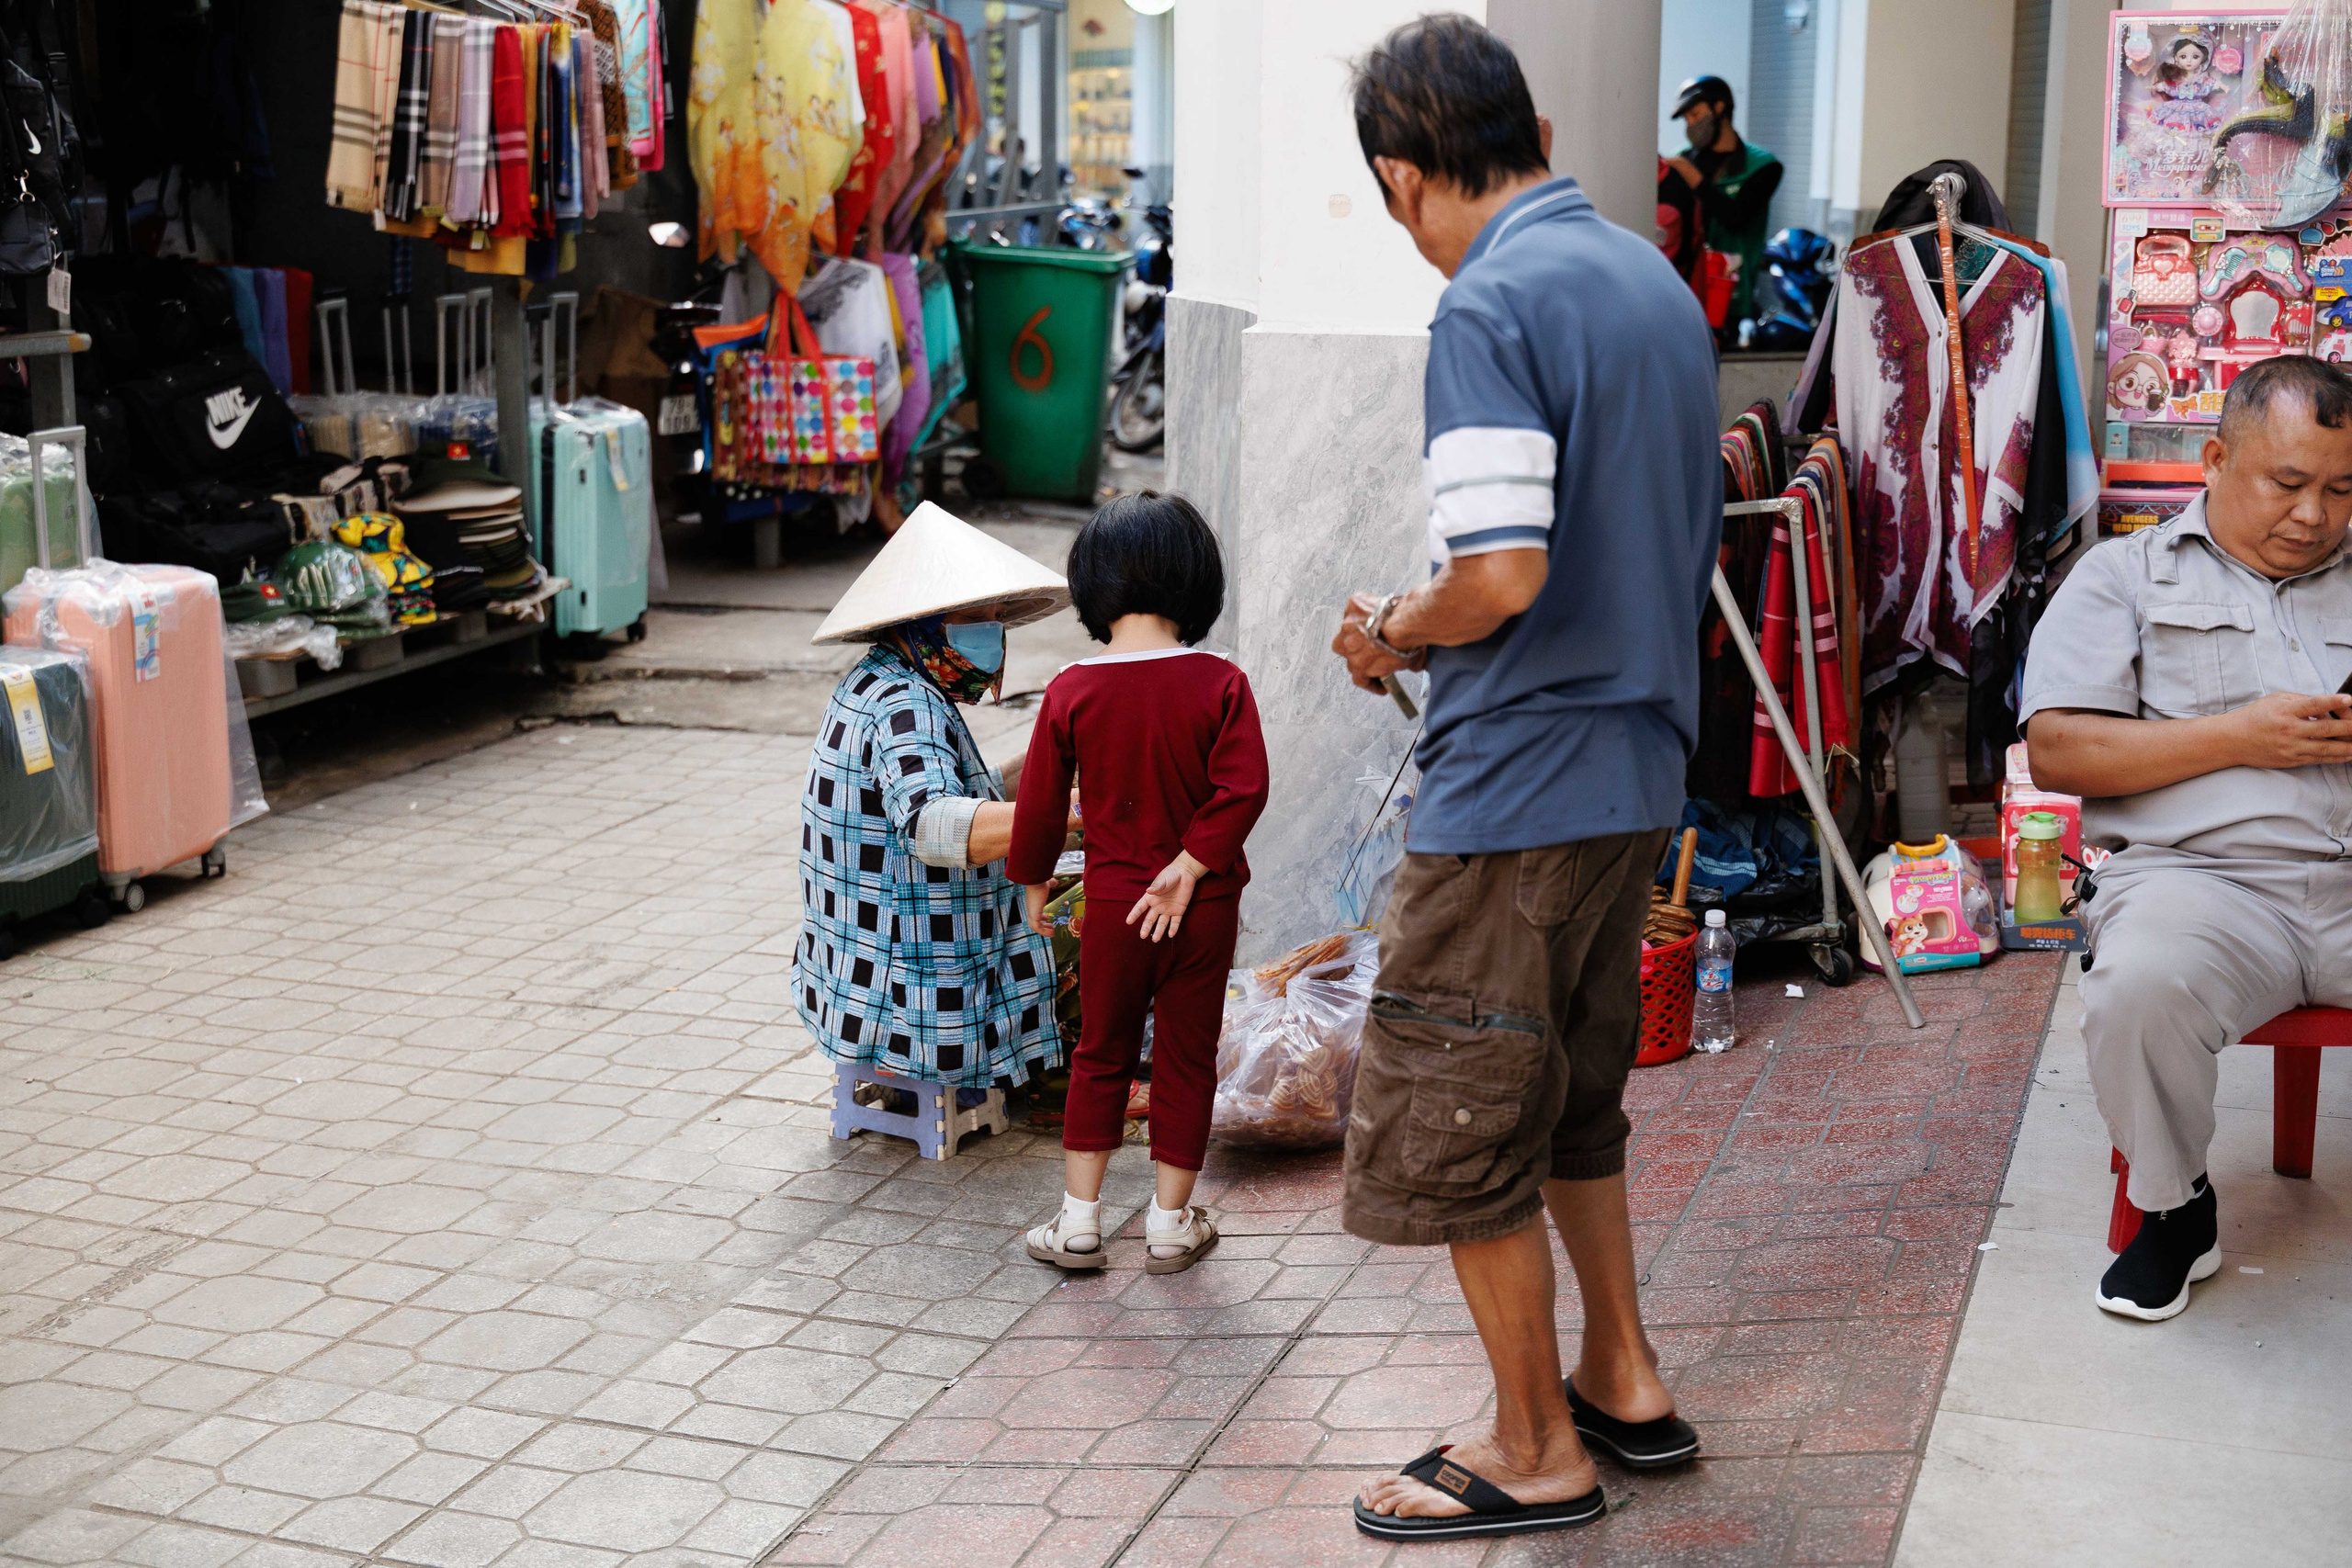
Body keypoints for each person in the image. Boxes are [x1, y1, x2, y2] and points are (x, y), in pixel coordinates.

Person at [1331, 16, 1721, 1542]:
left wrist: (1391, 630)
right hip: (1635, 770)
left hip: (1519, 783)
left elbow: (1498, 571)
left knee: (1459, 1114)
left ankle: (1533, 1440)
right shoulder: (1650, 283)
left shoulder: (1489, 302)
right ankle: (1621, 1373)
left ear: (1401, 177)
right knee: (1567, 1099)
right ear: (1540, 123)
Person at [2021, 354, 2352, 1323]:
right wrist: (2239, 738)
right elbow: (2057, 749)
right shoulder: (2121, 576)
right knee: (2138, 980)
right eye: (2286, 483)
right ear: (2213, 458)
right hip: (2203, 885)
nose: (2313, 515)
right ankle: (2176, 1210)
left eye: (2340, 490)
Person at [1007, 491, 1269, 1277]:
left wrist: (1033, 883)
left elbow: (1041, 802)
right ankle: (1168, 1224)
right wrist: (1191, 865)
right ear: (1196, 581)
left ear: (1094, 583)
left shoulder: (1072, 687)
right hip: (1205, 903)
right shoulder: (1222, 681)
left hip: (1116, 905)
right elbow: (1244, 786)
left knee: (1100, 1054)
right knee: (1187, 1059)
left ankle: (1079, 1224)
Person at [795, 500, 1073, 1100]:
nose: (993, 636)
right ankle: (1049, 1071)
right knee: (1091, 910)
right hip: (910, 1006)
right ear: (925, 623)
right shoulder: (905, 704)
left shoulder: (878, 680)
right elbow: (931, 823)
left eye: (998, 619)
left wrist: (1052, 773)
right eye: (980, 618)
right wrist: (1065, 816)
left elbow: (952, 792)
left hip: (853, 986)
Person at [1665, 74, 1781, 337]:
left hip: (1732, 298)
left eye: (1695, 114)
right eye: (1686, 119)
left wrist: (1694, 178)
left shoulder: (1763, 166)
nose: (1690, 124)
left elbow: (1736, 217)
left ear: (1719, 108)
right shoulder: (1682, 159)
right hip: (1683, 292)